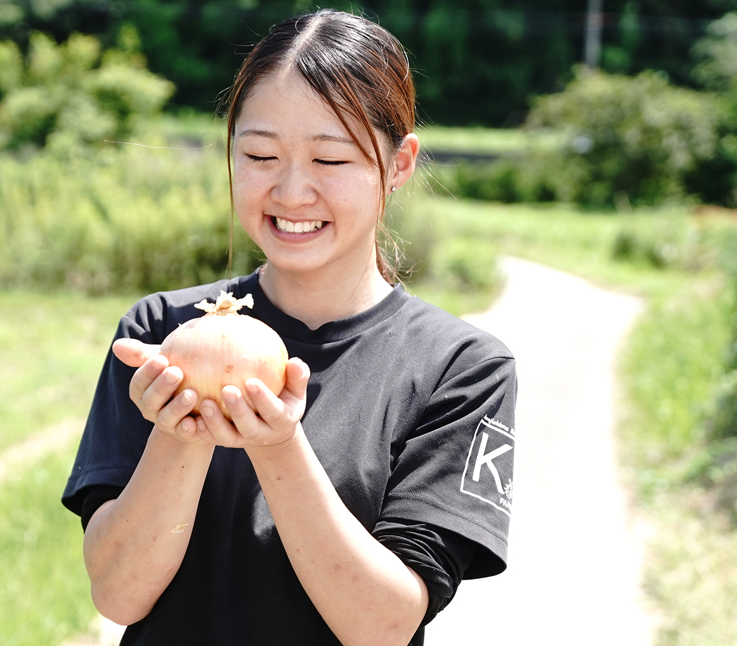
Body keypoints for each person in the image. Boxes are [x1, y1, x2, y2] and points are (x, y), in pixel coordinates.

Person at [62, 9, 517, 646]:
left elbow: (383, 626)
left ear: (399, 164)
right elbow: (118, 593)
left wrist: (278, 446)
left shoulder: (460, 368)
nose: (292, 191)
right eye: (260, 154)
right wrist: (181, 436)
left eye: (329, 160)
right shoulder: (160, 334)